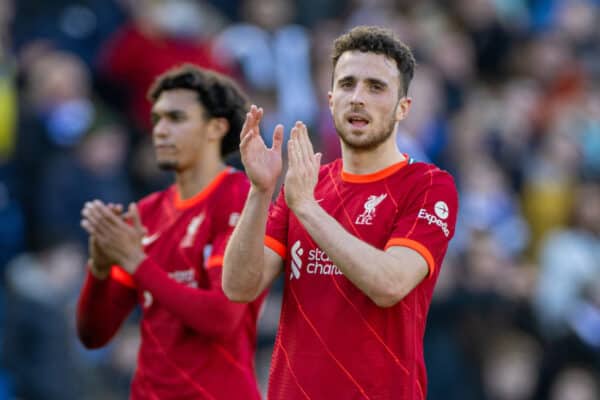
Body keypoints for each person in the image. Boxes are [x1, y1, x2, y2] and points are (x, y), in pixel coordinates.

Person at [223, 25, 459, 399]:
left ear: (403, 108)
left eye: (376, 87)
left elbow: (389, 285)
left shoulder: (428, 185)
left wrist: (308, 209)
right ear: (330, 99)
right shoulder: (304, 185)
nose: (357, 98)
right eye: (347, 85)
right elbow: (238, 287)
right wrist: (260, 192)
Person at [76, 64, 264, 400]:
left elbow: (223, 317)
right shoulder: (147, 213)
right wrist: (100, 268)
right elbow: (94, 335)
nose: (160, 131)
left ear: (216, 128)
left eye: (176, 119)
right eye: (157, 119)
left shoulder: (240, 198)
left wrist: (136, 261)